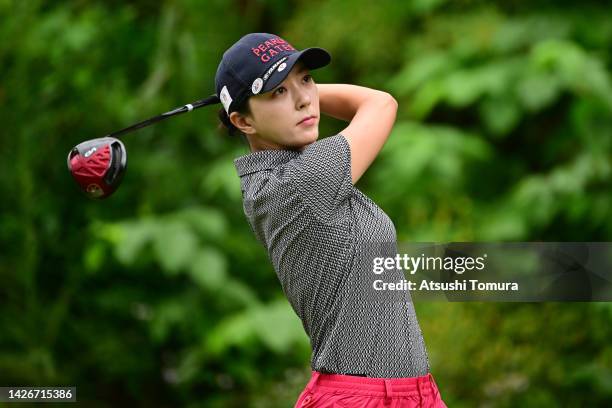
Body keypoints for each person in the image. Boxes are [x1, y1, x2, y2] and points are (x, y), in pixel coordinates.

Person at [210, 32, 449, 408]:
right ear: (243, 122)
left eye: (306, 79)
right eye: (278, 92)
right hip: (360, 398)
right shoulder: (301, 182)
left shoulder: (275, 179)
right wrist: (290, 90)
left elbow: (351, 102)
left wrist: (279, 91)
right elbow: (379, 103)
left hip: (412, 392)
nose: (305, 98)